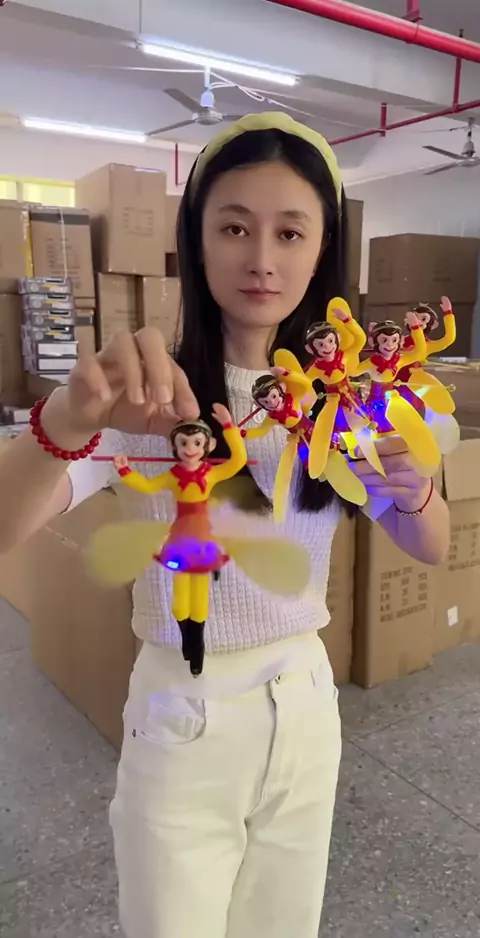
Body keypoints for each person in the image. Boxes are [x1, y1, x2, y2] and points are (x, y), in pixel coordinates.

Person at [0, 112, 450, 938]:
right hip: (185, 711)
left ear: (323, 249)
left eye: (291, 232)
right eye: (235, 227)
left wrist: (416, 489)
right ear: (197, 240)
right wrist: (65, 419)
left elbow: (430, 545)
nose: (263, 258)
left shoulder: (346, 404)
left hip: (304, 703)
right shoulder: (150, 400)